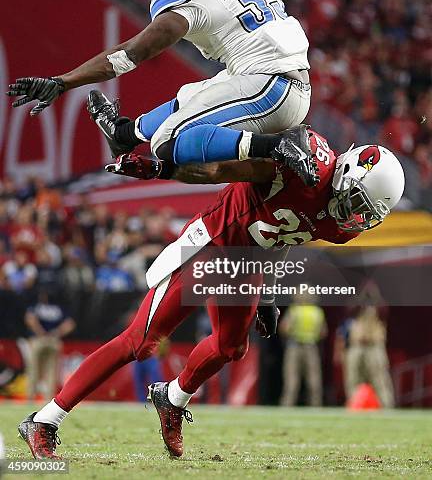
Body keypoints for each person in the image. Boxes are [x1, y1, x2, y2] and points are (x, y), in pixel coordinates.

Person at [18, 130, 405, 459]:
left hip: (248, 265)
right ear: (348, 171)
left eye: (366, 212)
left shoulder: (343, 225)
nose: (356, 216)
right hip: (210, 247)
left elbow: (289, 234)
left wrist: (267, 292)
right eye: (357, 203)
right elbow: (228, 166)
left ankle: (171, 398)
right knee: (141, 342)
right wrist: (158, 170)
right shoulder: (309, 164)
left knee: (230, 348)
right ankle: (43, 420)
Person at [7, 0, 316, 186]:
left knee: (167, 142)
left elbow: (130, 54)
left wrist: (63, 82)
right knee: (190, 96)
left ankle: (277, 145)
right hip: (275, 80)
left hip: (270, 86)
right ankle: (124, 134)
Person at [25, 289, 76, 401]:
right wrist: (56, 332)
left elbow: (30, 319)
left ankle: (30, 397)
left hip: (39, 340)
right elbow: (70, 324)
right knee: (51, 371)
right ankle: (48, 399)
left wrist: (40, 332)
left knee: (33, 369)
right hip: (54, 340)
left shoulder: (37, 306)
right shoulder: (58, 308)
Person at [279, 291, 327, 406]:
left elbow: (284, 328)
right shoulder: (317, 312)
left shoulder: (294, 310)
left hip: (294, 346)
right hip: (311, 346)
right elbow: (323, 332)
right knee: (314, 379)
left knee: (291, 379)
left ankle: (287, 405)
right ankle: (316, 406)